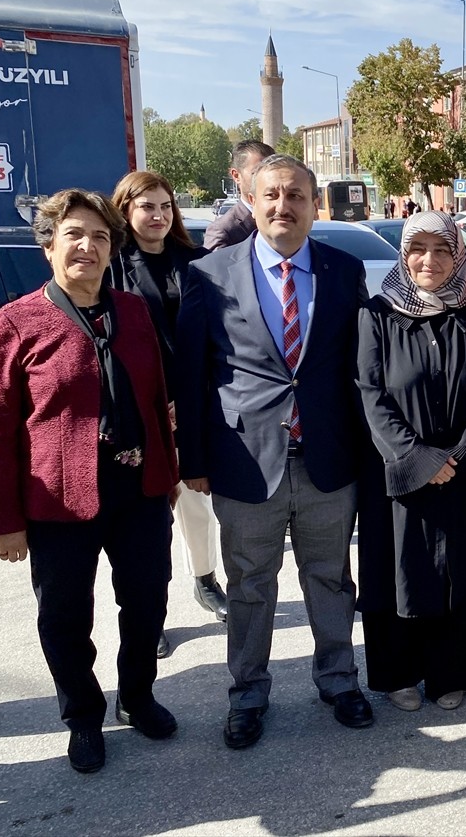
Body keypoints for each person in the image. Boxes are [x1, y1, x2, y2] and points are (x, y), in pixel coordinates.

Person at [0, 189, 180, 773]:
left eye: (99, 237)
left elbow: (154, 396)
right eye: (74, 235)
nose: (87, 247)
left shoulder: (133, 311)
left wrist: (165, 470)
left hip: (137, 489)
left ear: (113, 247)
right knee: (66, 616)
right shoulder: (13, 323)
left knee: (146, 602)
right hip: (58, 498)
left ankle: (136, 697)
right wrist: (6, 522)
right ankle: (83, 718)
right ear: (48, 247)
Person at [176, 154, 375, 749]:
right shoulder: (208, 274)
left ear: (316, 205)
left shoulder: (343, 270)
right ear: (251, 201)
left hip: (327, 460)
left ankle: (339, 681)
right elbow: (191, 376)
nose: (284, 206)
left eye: (297, 196)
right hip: (244, 459)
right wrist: (194, 462)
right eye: (272, 195)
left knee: (331, 578)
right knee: (250, 585)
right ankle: (248, 694)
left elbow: (357, 368)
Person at [358, 211, 466, 712]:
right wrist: (417, 456)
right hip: (400, 466)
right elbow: (371, 393)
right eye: (418, 248)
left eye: (442, 249)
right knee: (400, 567)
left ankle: (451, 672)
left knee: (458, 569)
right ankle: (400, 671)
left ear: (458, 255)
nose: (430, 260)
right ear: (403, 254)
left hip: (464, 469)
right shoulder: (378, 315)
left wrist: (460, 453)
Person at [109, 171, 225, 659]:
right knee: (148, 517)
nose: (158, 216)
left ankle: (205, 580)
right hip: (139, 408)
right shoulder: (113, 268)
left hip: (194, 402)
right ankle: (148, 611)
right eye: (146, 207)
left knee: (198, 505)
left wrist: (190, 398)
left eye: (165, 206)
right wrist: (155, 401)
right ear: (125, 212)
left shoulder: (197, 262)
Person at [203, 140, 274, 251]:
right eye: (256, 172)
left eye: (271, 172)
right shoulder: (223, 230)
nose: (267, 179)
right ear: (236, 175)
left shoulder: (286, 218)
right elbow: (214, 267)